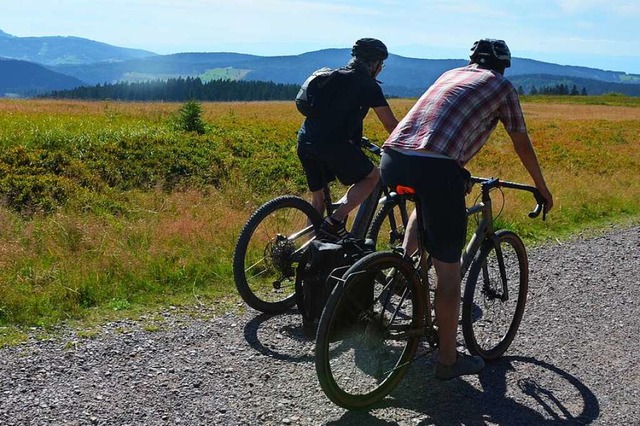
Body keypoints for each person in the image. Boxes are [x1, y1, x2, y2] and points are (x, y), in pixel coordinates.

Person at [380, 38, 554, 380]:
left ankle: (403, 269)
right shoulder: (502, 87)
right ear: (503, 65)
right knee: (449, 273)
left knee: (426, 200)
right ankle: (448, 360)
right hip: (435, 167)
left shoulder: (451, 73)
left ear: (472, 60)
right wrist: (542, 187)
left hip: (393, 157)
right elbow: (521, 140)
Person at [297, 38, 399, 240]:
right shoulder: (368, 85)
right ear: (376, 63)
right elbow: (390, 124)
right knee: (372, 176)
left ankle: (308, 255)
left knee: (317, 202)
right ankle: (335, 221)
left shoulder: (332, 76)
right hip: (332, 146)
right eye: (382, 65)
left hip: (305, 141)